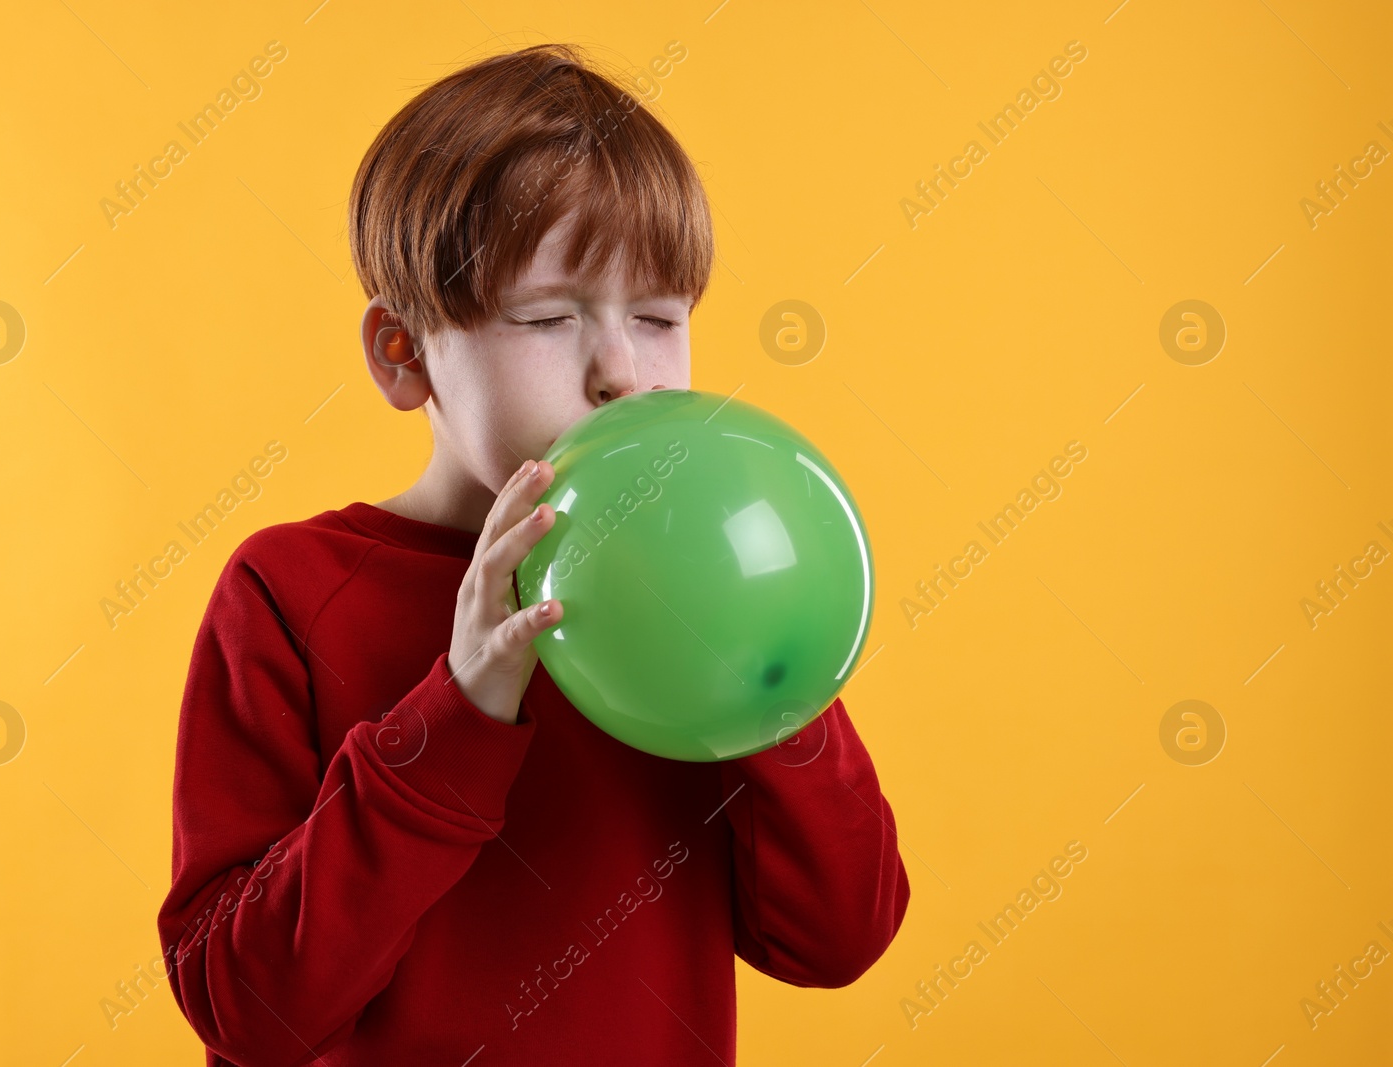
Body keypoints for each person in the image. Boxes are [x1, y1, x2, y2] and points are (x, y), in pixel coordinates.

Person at [157, 42, 909, 1066]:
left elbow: (835, 938)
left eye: (657, 318)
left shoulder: (709, 597)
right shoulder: (289, 593)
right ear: (402, 351)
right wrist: (456, 710)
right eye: (549, 317)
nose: (618, 372)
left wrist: (777, 689)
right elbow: (248, 1008)